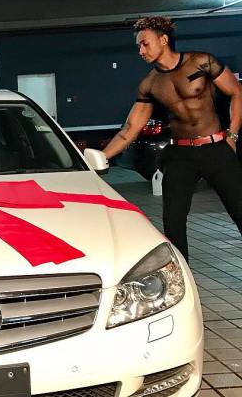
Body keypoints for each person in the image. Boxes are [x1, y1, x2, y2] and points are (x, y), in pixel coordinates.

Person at [103, 15, 242, 260]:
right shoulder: (149, 84)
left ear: (164, 40)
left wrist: (232, 134)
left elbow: (236, 92)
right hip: (180, 155)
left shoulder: (201, 61)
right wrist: (99, 158)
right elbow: (130, 129)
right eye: (138, 46)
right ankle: (182, 277)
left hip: (215, 149)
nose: (141, 51)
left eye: (145, 43)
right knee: (173, 221)